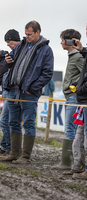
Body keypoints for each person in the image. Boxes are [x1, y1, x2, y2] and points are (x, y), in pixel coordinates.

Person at [0, 20, 54, 163]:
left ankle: (26, 156)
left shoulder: (46, 50)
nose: (27, 37)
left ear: (37, 32)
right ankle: (14, 153)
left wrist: (32, 88)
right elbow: (9, 62)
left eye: (29, 34)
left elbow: (47, 74)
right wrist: (8, 60)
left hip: (29, 92)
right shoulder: (22, 45)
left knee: (28, 123)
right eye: (26, 34)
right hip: (13, 90)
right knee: (13, 122)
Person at [52, 29, 84, 170]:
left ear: (71, 41)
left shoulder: (77, 57)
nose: (61, 42)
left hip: (74, 97)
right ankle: (69, 162)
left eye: (63, 39)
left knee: (70, 129)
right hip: (70, 96)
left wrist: (76, 86)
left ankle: (67, 163)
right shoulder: (72, 55)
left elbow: (85, 73)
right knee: (72, 129)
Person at [0, 29, 21, 158]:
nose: (8, 45)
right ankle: (7, 146)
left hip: (14, 90)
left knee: (7, 121)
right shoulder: (12, 54)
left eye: (9, 42)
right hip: (8, 89)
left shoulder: (21, 51)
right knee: (7, 121)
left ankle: (12, 148)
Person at [66, 39, 87, 179]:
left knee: (84, 136)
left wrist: (80, 88)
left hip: (84, 98)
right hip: (82, 100)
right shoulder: (83, 54)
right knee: (78, 135)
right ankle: (78, 166)